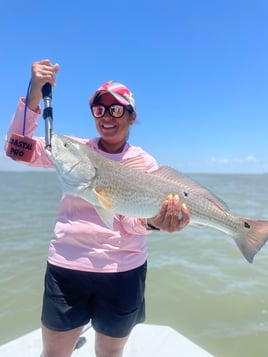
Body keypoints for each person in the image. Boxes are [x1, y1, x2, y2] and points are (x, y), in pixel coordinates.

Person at [5, 59, 190, 357]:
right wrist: (35, 94)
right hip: (67, 269)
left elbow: (128, 223)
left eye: (116, 109)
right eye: (99, 109)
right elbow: (16, 148)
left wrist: (154, 223)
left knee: (110, 354)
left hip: (123, 273)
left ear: (131, 116)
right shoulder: (76, 148)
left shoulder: (144, 164)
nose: (106, 116)